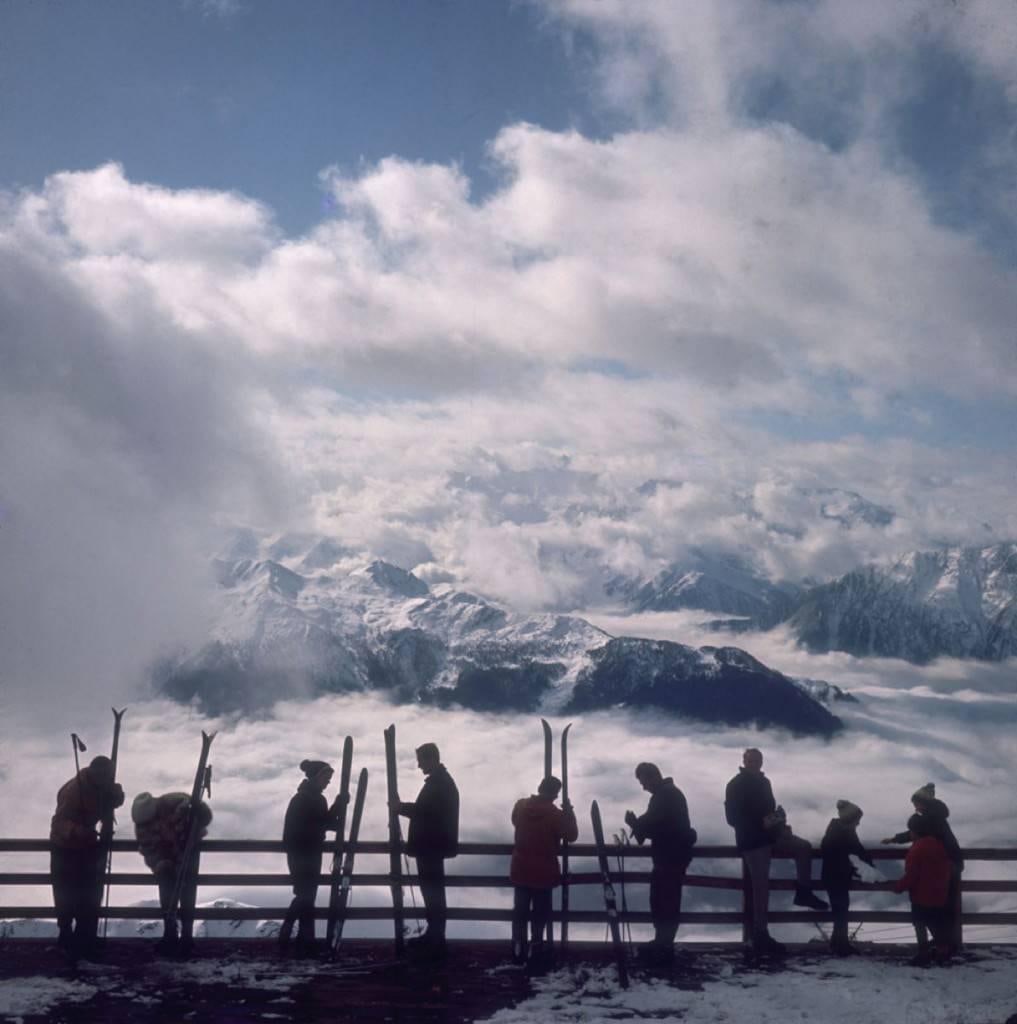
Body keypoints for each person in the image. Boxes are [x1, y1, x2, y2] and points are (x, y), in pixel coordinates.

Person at [724, 748, 828, 955]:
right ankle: (760, 935)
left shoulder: (764, 782)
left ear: (761, 762)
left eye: (757, 760)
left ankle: (804, 892)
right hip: (753, 841)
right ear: (744, 761)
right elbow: (732, 818)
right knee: (761, 888)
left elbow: (768, 811)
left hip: (771, 836)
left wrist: (779, 822)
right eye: (751, 760)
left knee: (803, 847)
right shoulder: (735, 785)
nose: (754, 763)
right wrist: (762, 823)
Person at [50, 755, 125, 957]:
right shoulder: (74, 791)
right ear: (96, 774)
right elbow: (58, 823)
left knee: (90, 892)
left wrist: (116, 796)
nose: (107, 779)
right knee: (66, 892)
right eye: (105, 776)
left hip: (86, 845)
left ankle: (85, 937)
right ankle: (67, 936)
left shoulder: (102, 786)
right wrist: (78, 831)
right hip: (64, 847)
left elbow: (115, 800)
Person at [624, 762, 697, 965]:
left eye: (643, 782)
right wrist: (638, 824)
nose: (643, 787)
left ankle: (663, 944)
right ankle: (663, 942)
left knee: (664, 900)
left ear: (652, 777)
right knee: (665, 899)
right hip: (674, 855)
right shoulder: (669, 794)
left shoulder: (665, 796)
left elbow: (656, 825)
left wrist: (635, 824)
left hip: (669, 857)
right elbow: (656, 823)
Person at [395, 742, 459, 955]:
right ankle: (434, 935)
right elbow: (428, 811)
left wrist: (400, 808)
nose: (419, 765)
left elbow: (425, 812)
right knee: (433, 892)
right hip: (433, 846)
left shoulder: (439, 784)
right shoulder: (441, 781)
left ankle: (435, 939)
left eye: (421, 760)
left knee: (433, 893)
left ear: (431, 759)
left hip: (431, 847)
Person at [132, 791, 212, 957]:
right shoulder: (142, 825)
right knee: (167, 893)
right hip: (165, 858)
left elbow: (205, 815)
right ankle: (170, 934)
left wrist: (198, 814)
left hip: (189, 847)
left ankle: (187, 936)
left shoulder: (176, 802)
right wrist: (160, 865)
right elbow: (149, 850)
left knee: (187, 891)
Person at [509, 775, 578, 971]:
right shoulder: (555, 815)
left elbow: (515, 821)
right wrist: (569, 812)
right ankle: (536, 948)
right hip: (544, 871)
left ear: (539, 787)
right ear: (555, 794)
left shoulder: (520, 806)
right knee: (540, 913)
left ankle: (518, 947)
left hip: (521, 868)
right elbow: (572, 835)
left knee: (520, 911)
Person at [279, 759, 347, 956]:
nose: (328, 782)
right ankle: (289, 935)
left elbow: (323, 823)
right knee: (305, 895)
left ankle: (304, 940)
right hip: (303, 853)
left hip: (306, 852)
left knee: (307, 896)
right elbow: (323, 824)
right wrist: (338, 806)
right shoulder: (305, 799)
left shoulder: (310, 798)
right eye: (326, 777)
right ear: (317, 777)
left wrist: (338, 805)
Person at [893, 813, 953, 965]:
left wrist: (899, 887)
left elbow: (912, 875)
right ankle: (943, 952)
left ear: (916, 831)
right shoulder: (938, 845)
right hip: (939, 893)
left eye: (911, 831)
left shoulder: (916, 849)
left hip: (921, 895)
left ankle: (923, 954)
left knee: (920, 923)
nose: (910, 834)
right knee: (935, 923)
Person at [820, 800, 874, 956]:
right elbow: (855, 850)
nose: (858, 823)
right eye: (857, 820)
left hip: (835, 876)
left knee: (840, 910)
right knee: (841, 909)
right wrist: (867, 866)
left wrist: (868, 866)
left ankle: (838, 942)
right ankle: (840, 944)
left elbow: (857, 850)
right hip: (836, 877)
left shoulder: (839, 829)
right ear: (850, 819)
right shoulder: (841, 832)